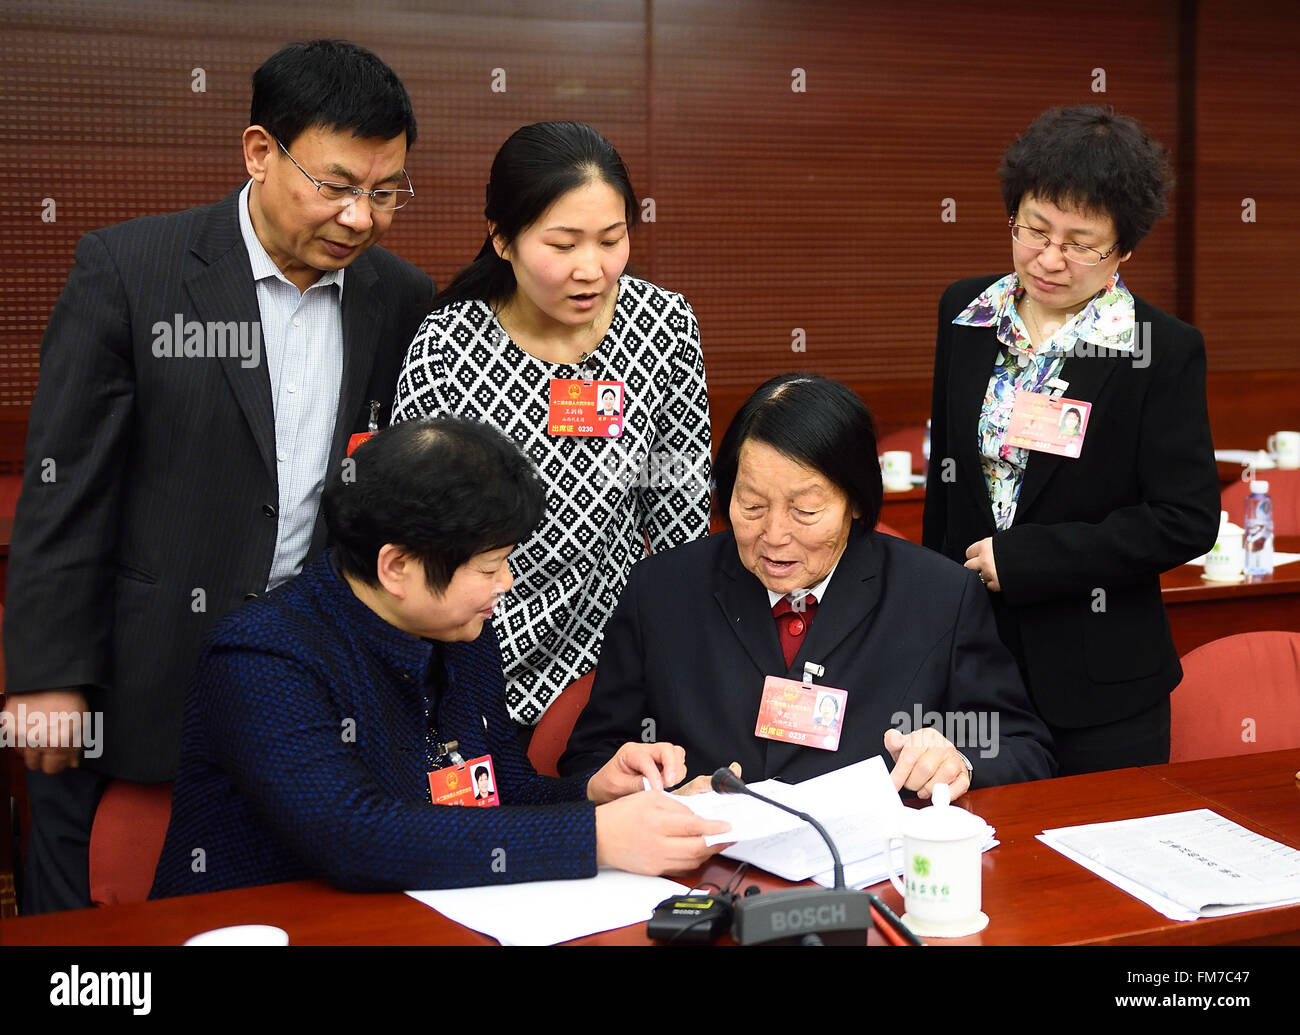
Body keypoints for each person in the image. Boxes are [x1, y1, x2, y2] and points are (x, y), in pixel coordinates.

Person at [2, 40, 435, 913]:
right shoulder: (132, 272)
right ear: (259, 152)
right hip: (137, 670)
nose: (361, 217)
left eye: (385, 192)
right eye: (338, 184)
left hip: (304, 676)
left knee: (270, 906)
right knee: (89, 917)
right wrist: (44, 673)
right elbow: (64, 488)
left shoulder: (398, 296)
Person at [150, 419, 727, 897]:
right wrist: (594, 835)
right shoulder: (262, 657)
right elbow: (353, 837)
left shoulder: (461, 632)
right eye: (488, 567)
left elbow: (502, 793)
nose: (505, 584)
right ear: (396, 567)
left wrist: (593, 793)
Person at [560, 374, 1056, 798]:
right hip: (706, 869)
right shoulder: (664, 591)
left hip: (875, 875)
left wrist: (958, 763)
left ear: (856, 502)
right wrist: (655, 790)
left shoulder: (938, 596)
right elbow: (592, 758)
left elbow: (1022, 748)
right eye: (752, 506)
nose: (774, 536)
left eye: (806, 511)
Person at [922, 105, 1219, 776]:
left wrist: (1029, 559)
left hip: (1101, 680)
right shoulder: (965, 314)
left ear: (1124, 248)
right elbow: (949, 484)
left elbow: (1185, 519)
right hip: (973, 666)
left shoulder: (1160, 349)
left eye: (1082, 242)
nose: (1050, 258)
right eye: (1034, 229)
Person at [392, 121, 710, 734]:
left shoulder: (661, 324)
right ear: (502, 239)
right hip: (474, 649)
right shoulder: (449, 347)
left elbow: (679, 512)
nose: (592, 269)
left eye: (611, 240)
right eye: (563, 245)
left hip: (613, 657)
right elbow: (426, 536)